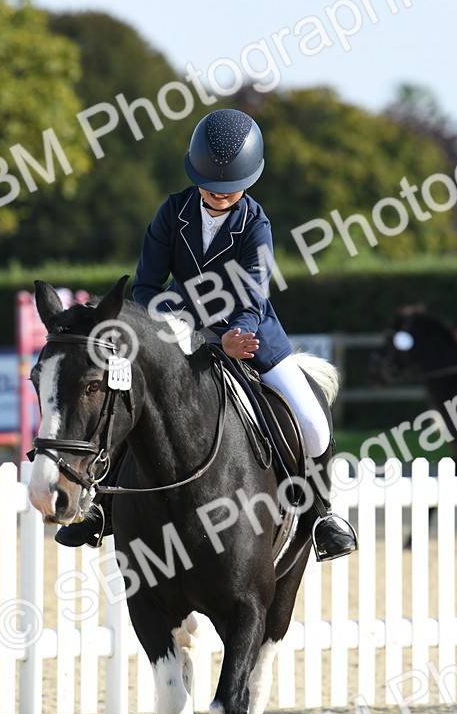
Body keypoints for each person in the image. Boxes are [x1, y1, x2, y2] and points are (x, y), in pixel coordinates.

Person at [56, 107, 358, 561]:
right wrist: (181, 329)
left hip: (251, 334)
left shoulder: (256, 225)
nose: (217, 195)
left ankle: (320, 515)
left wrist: (236, 335)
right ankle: (104, 508)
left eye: (228, 188)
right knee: (127, 400)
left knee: (312, 422)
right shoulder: (171, 213)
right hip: (178, 332)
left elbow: (252, 293)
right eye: (209, 185)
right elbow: (145, 286)